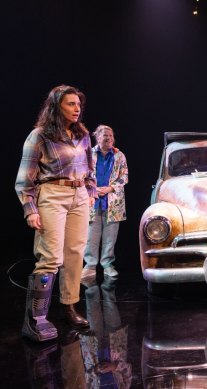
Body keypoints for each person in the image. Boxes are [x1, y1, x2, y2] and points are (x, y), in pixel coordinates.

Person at [15, 85, 96, 342]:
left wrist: (90, 192)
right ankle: (36, 318)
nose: (77, 109)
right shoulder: (39, 136)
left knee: (75, 253)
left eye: (78, 104)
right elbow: (24, 179)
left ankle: (69, 306)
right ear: (56, 107)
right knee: (51, 255)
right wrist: (30, 209)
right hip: (52, 194)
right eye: (71, 104)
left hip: (79, 196)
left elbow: (90, 170)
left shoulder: (83, 135)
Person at [81, 125, 129, 280]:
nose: (108, 138)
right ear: (98, 137)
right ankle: (89, 266)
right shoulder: (89, 154)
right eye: (105, 135)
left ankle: (108, 265)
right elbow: (83, 174)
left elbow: (124, 177)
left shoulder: (119, 156)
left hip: (113, 202)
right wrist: (94, 189)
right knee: (91, 237)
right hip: (92, 200)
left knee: (110, 237)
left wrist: (109, 188)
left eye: (111, 135)